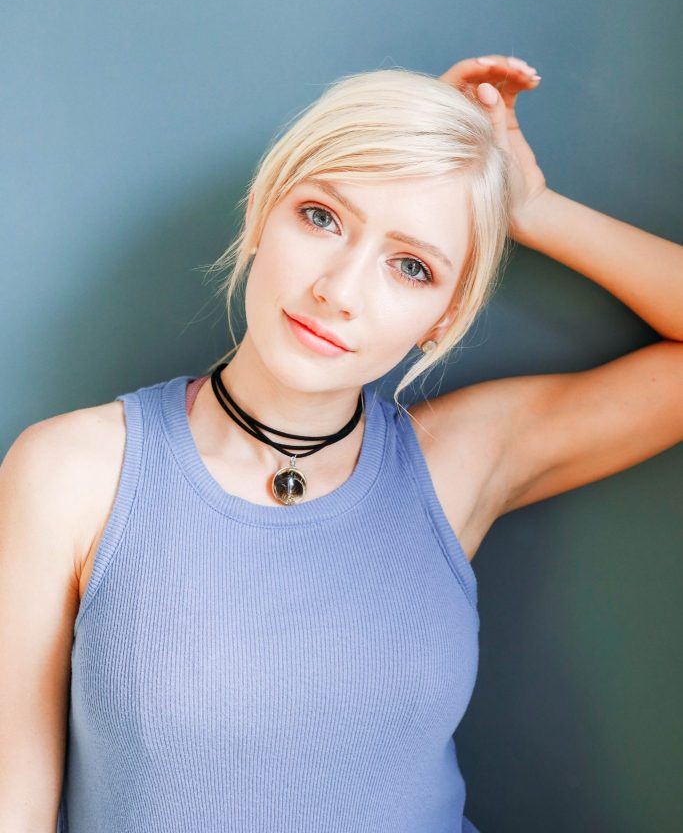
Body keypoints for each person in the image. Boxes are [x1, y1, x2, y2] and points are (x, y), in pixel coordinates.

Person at [1, 55, 681, 832]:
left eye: (411, 266)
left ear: (443, 318)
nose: (341, 290)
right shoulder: (72, 470)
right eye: (322, 217)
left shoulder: (458, 463)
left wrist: (536, 209)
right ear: (262, 208)